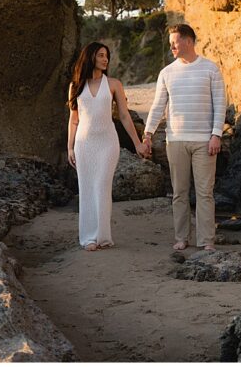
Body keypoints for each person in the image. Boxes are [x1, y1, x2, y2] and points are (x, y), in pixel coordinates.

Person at [142, 24, 226, 251]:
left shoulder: (210, 69)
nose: (171, 47)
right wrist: (148, 133)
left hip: (204, 141)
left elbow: (220, 104)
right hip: (175, 140)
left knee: (205, 193)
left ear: (188, 41)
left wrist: (216, 135)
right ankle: (182, 237)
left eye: (175, 42)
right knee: (179, 193)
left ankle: (206, 240)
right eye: (170, 43)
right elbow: (158, 106)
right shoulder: (166, 73)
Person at [67, 42, 149, 251]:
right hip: (84, 144)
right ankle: (89, 238)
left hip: (107, 143)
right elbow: (74, 120)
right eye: (101, 55)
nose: (105, 60)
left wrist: (137, 143)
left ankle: (102, 236)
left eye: (107, 56)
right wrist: (70, 147)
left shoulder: (114, 84)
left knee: (102, 186)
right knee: (86, 188)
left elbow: (124, 116)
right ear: (90, 57)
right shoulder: (76, 85)